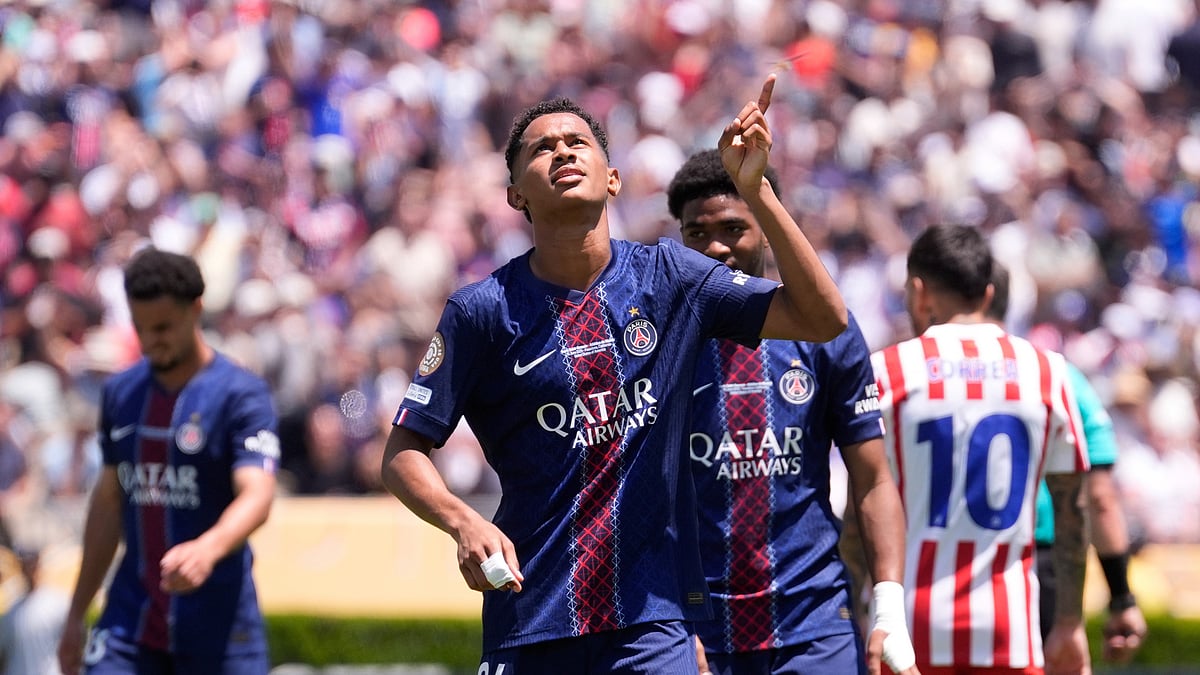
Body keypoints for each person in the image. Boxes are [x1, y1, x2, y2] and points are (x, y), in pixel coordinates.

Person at [381, 73, 848, 674]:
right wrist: (462, 519)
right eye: (541, 149)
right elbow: (402, 452)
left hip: (650, 627)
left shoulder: (670, 278)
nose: (562, 152)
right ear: (514, 195)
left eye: (578, 142)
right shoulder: (482, 312)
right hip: (530, 620)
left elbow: (822, 317)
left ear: (614, 177)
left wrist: (756, 191)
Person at [666, 148, 917, 675]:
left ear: (767, 226)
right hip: (700, 633)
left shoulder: (826, 335)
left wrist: (889, 610)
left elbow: (872, 480)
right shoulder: (659, 347)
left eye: (734, 228)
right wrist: (670, 625)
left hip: (813, 622)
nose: (716, 247)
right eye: (697, 233)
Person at [869, 224, 1091, 675]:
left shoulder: (887, 371)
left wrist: (860, 608)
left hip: (910, 633)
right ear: (988, 294)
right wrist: (1069, 621)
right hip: (1011, 629)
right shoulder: (1049, 372)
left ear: (919, 291)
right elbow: (1073, 509)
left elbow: (864, 505)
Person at [57, 248, 280, 675]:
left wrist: (207, 549)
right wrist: (75, 615)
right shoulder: (121, 393)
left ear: (195, 309)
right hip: (130, 625)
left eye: (162, 327)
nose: (150, 340)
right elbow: (108, 504)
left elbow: (258, 494)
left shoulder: (240, 394)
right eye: (141, 328)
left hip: (221, 625)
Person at [985, 265, 1147, 665]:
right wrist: (1122, 598)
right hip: (1043, 566)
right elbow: (1101, 498)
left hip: (950, 562)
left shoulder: (916, 374)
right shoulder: (1060, 376)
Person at [0, 546, 70, 675]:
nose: (29, 568)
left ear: (39, 565)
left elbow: (75, 644)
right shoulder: (12, 610)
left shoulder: (60, 603)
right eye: (25, 564)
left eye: (32, 563)